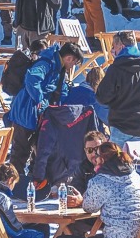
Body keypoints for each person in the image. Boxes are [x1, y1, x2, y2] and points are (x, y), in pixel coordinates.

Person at [6, 42, 85, 171]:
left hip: (39, 113)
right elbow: (32, 78)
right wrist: (40, 100)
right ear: (69, 58)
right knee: (21, 150)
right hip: (26, 111)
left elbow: (61, 89)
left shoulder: (58, 68)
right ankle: (13, 181)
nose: (72, 67)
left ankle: (32, 177)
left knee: (39, 147)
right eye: (74, 63)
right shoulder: (47, 63)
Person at [97, 31, 140, 147]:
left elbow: (102, 97)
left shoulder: (115, 69)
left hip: (120, 125)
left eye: (113, 47)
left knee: (116, 163)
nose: (112, 51)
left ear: (121, 47)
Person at [82, 141, 140, 238]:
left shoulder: (100, 181)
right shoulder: (134, 176)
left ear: (102, 160)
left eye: (97, 156)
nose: (94, 159)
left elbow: (89, 208)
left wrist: (81, 199)